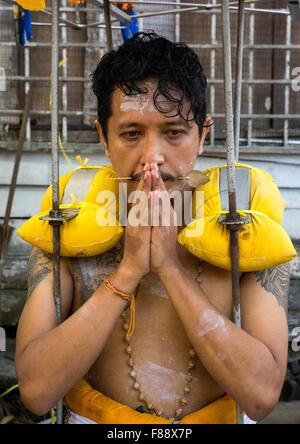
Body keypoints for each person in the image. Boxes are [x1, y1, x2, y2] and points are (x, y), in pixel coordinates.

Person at [15, 32, 290, 424]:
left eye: (174, 132)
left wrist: (170, 270)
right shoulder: (68, 216)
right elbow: (38, 393)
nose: (152, 159)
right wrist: (127, 272)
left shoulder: (242, 218)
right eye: (131, 134)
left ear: (202, 136)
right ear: (103, 139)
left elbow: (262, 397)